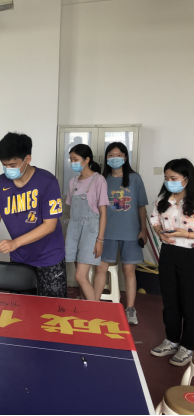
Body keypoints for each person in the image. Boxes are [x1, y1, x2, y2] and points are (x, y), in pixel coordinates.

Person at [0, 133, 67, 298]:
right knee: (20, 307)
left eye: (13, 165)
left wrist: (15, 243)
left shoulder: (48, 182)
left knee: (53, 308)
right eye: (4, 165)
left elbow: (50, 225)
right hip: (20, 258)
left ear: (28, 159)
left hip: (49, 258)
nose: (8, 169)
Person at [95, 142, 148, 325]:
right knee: (100, 269)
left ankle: (130, 308)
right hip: (107, 232)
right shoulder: (102, 179)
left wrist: (143, 229)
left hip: (131, 233)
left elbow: (141, 206)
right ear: (106, 158)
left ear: (125, 157)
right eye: (111, 155)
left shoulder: (135, 178)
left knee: (129, 271)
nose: (115, 158)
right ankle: (94, 305)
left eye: (119, 155)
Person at [150, 159, 194, 367]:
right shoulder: (163, 200)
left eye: (173, 178)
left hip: (190, 254)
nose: (169, 182)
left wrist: (187, 234)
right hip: (168, 253)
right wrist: (160, 233)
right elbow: (154, 220)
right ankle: (172, 340)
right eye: (166, 178)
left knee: (189, 302)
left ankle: (188, 346)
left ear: (186, 178)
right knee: (169, 300)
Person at [65, 144, 109, 301]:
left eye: (75, 159)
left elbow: (103, 213)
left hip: (91, 230)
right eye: (71, 159)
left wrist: (100, 240)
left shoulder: (99, 180)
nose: (73, 162)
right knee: (81, 277)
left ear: (87, 159)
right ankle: (87, 307)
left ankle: (95, 310)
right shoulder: (73, 182)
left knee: (80, 276)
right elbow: (71, 209)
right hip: (74, 229)